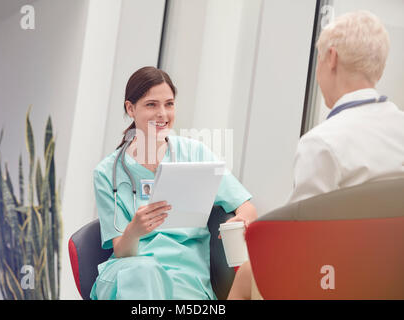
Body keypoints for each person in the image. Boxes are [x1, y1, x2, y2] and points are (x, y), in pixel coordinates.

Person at [228, 10, 404, 300]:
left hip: (337, 280)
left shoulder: (323, 142)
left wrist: (257, 236)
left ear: (331, 58)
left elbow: (300, 240)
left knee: (249, 270)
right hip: (393, 276)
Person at [90, 66, 257, 300]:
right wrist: (134, 230)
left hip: (186, 278)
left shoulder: (194, 154)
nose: (163, 114)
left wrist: (244, 219)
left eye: (169, 104)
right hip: (131, 274)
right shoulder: (108, 173)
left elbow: (246, 206)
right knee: (145, 272)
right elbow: (122, 250)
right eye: (151, 104)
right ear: (130, 108)